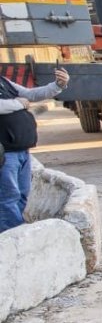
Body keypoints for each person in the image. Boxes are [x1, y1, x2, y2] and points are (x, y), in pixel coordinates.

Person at [0, 66, 70, 232]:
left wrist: (58, 85)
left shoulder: (3, 82)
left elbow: (31, 95)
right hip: (5, 155)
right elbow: (18, 102)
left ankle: (15, 235)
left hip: (21, 151)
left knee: (22, 195)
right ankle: (14, 239)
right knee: (8, 198)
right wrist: (18, 104)